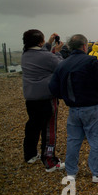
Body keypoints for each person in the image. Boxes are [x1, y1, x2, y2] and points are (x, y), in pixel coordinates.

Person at [48, 34, 98, 183]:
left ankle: (71, 172)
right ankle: (97, 172)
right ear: (84, 47)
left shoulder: (63, 64)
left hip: (73, 108)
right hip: (91, 106)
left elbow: (53, 87)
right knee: (95, 139)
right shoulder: (90, 61)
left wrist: (65, 97)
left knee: (73, 140)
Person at [21, 29, 65, 172]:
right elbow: (61, 67)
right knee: (49, 129)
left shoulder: (25, 54)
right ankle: (49, 161)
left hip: (31, 97)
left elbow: (40, 53)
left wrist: (49, 44)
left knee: (33, 126)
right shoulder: (46, 56)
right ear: (40, 42)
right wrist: (57, 51)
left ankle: (30, 155)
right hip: (46, 98)